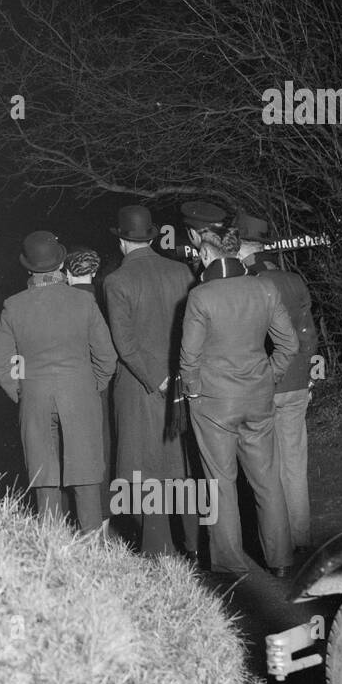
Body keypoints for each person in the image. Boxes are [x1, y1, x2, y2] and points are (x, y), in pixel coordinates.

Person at [180, 220, 299, 578]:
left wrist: (193, 392)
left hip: (214, 403)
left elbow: (189, 358)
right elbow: (288, 345)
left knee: (220, 482)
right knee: (266, 479)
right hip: (258, 398)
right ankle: (280, 560)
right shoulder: (264, 289)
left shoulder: (201, 296)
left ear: (205, 253)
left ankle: (230, 563)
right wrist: (269, 376)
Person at [0, 231, 117, 530]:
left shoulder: (14, 305)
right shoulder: (83, 302)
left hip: (35, 399)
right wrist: (90, 387)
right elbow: (107, 358)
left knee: (44, 477)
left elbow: (2, 363)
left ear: (29, 267)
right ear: (61, 264)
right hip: (80, 396)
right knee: (86, 476)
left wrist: (23, 389)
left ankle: (53, 549)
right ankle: (93, 549)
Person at [103, 206, 198, 556]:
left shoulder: (116, 281)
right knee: (181, 465)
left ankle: (160, 548)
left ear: (123, 242)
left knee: (146, 468)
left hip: (141, 387)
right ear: (151, 236)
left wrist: (155, 379)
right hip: (181, 381)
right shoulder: (182, 271)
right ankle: (196, 542)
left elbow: (125, 345)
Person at [237, 211, 318, 555]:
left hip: (265, 384)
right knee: (294, 463)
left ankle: (278, 541)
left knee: (265, 467)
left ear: (241, 248)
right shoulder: (294, 279)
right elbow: (308, 333)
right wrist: (307, 373)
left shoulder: (249, 284)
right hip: (298, 382)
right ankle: (301, 536)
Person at [65, 247, 112, 516]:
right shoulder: (103, 301)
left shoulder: (62, 303)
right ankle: (101, 518)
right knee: (100, 450)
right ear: (94, 272)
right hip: (99, 386)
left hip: (70, 387)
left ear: (67, 272)